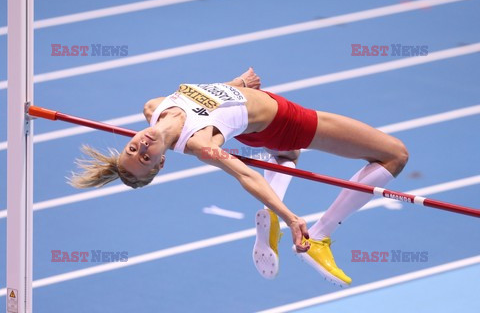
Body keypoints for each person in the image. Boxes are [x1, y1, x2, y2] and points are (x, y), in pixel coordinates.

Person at [70, 68, 408, 286]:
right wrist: (291, 218)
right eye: (146, 159)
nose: (141, 148)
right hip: (289, 121)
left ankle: (272, 221)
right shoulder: (202, 144)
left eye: (132, 150)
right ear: (160, 164)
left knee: (286, 157)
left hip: (257, 124)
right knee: (395, 154)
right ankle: (320, 234)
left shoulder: (153, 107)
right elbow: (246, 176)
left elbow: (206, 101)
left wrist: (237, 84)